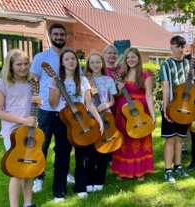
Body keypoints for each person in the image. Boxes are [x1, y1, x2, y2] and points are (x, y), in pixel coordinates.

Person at [49, 49, 104, 202]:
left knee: (83, 156)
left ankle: (80, 187)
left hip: (82, 121)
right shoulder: (56, 80)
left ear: (77, 61)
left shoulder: (83, 80)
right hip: (62, 121)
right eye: (67, 59)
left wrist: (99, 120)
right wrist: (56, 88)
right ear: (62, 62)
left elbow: (89, 104)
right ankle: (59, 192)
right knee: (62, 156)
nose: (71, 61)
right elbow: (53, 104)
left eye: (73, 58)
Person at [0, 49, 41, 207]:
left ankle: (28, 204)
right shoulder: (3, 84)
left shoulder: (32, 81)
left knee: (30, 169)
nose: (23, 67)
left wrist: (38, 104)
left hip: (30, 132)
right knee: (17, 172)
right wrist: (22, 120)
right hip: (12, 134)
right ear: (10, 65)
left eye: (26, 64)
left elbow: (32, 107)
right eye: (19, 64)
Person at [30, 23, 75, 193]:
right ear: (50, 36)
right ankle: (38, 177)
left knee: (64, 145)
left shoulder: (70, 56)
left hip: (65, 109)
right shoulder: (41, 57)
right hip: (46, 109)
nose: (59, 37)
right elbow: (33, 78)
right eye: (55, 34)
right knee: (42, 144)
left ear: (66, 36)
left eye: (62, 34)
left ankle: (65, 173)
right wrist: (35, 99)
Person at [111, 47, 155, 181]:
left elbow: (148, 95)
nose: (131, 60)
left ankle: (140, 170)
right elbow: (117, 95)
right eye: (128, 57)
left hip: (140, 111)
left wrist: (152, 115)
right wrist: (118, 89)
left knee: (139, 139)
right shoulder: (121, 74)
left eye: (133, 57)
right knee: (124, 140)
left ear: (138, 58)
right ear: (125, 59)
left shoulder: (146, 74)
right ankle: (122, 170)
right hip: (123, 112)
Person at [83, 52, 117, 191]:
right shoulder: (84, 80)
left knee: (104, 148)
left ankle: (99, 179)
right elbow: (82, 100)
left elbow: (112, 100)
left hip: (106, 117)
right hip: (90, 116)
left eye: (98, 62)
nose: (95, 65)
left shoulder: (108, 80)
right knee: (90, 150)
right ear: (88, 65)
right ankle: (89, 179)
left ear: (102, 63)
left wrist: (107, 105)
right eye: (92, 62)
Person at [159, 35, 191, 183]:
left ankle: (178, 167)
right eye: (177, 46)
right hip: (170, 107)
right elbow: (166, 87)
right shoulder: (165, 64)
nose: (180, 50)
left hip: (183, 107)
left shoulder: (186, 63)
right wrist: (165, 108)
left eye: (182, 47)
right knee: (170, 140)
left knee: (180, 140)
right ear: (171, 47)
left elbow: (188, 86)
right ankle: (168, 170)